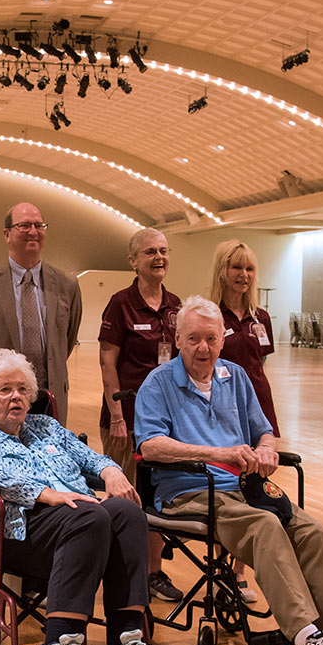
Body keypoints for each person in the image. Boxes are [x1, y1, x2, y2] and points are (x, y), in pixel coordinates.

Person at [135, 295, 323, 645]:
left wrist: (265, 449)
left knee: (313, 529)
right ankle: (307, 644)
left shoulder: (236, 377)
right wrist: (217, 453)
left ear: (222, 341)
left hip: (243, 488)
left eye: (211, 339)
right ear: (178, 340)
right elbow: (151, 446)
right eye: (193, 339)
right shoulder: (159, 383)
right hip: (191, 490)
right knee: (264, 525)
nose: (203, 348)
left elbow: (264, 430)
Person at [0, 349, 167, 645]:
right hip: (5, 527)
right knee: (89, 515)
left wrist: (111, 472)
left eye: (23, 390)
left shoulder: (45, 427)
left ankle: (127, 640)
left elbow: (90, 456)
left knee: (126, 512)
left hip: (70, 522)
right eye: (4, 390)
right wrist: (42, 493)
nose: (16, 397)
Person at [98, 227, 183, 604]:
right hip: (126, 419)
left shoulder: (176, 306)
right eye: (150, 252)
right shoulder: (120, 303)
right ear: (133, 260)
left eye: (163, 250)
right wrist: (117, 416)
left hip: (163, 424)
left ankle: (153, 573)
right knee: (120, 497)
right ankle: (112, 571)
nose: (159, 257)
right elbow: (107, 360)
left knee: (155, 497)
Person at [0, 202, 83, 426]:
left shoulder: (67, 284)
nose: (33, 232)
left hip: (51, 397)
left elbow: (66, 340)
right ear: (7, 234)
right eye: (24, 225)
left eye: (39, 225)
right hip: (2, 398)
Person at [208, 240, 279, 603]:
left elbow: (260, 366)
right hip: (224, 411)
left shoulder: (260, 319)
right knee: (227, 489)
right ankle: (219, 568)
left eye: (249, 269)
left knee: (255, 491)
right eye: (237, 268)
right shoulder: (212, 318)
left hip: (258, 409)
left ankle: (238, 573)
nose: (244, 275)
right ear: (223, 271)